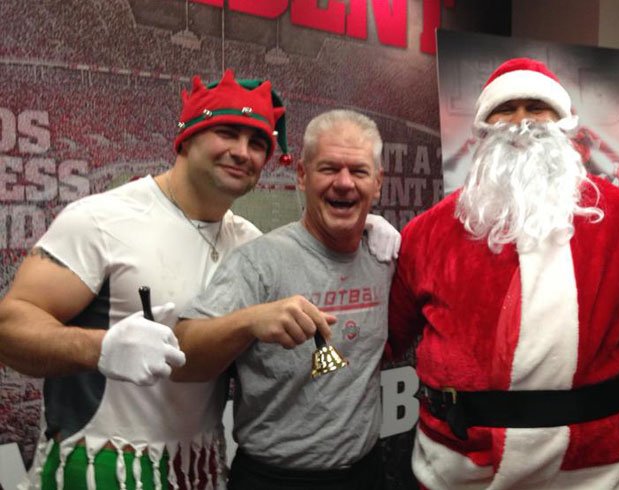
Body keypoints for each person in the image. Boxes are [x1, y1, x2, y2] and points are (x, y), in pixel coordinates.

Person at [0, 71, 397, 490]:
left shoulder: (247, 241)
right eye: (227, 133)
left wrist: (365, 224)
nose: (242, 153)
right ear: (186, 138)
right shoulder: (101, 219)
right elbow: (10, 326)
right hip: (98, 465)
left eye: (258, 143)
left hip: (200, 468)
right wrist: (98, 348)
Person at [388, 58, 619, 489]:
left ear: (564, 124)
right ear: (482, 128)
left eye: (537, 107)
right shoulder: (427, 233)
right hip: (459, 470)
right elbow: (385, 341)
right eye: (506, 109)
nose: (521, 122)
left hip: (604, 472)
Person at [173, 109, 394, 490]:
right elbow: (181, 355)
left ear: (377, 183)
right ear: (303, 176)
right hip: (276, 479)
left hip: (366, 472)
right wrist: (249, 321)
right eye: (328, 169)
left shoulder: (386, 257)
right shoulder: (260, 261)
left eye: (358, 172)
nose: (344, 183)